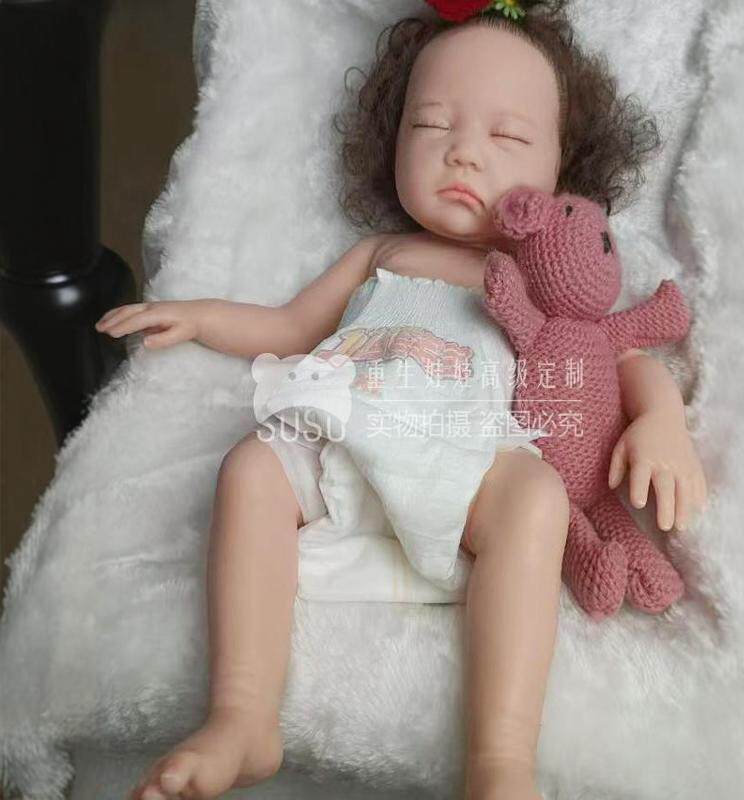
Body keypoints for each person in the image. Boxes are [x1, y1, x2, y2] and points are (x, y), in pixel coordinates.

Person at [99, 3, 707, 798]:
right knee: (250, 470)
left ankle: (499, 761)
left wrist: (660, 420)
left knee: (537, 497)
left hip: (467, 454)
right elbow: (288, 326)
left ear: (562, 170)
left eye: (508, 137)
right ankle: (241, 716)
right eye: (430, 124)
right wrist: (197, 314)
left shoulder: (543, 280)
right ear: (391, 141)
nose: (463, 151)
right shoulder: (382, 253)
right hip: (347, 433)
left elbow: (618, 358)